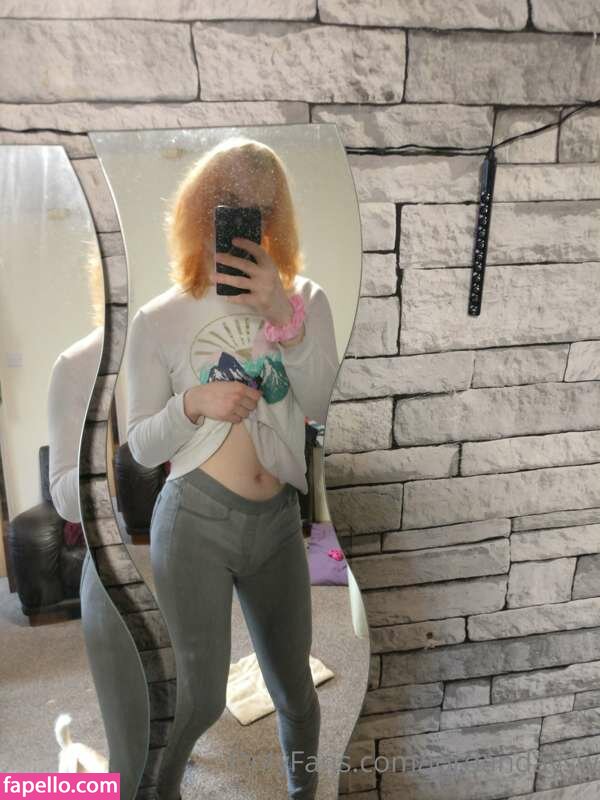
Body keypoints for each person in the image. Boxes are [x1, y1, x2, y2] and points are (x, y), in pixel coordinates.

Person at [125, 137, 339, 800]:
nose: (247, 220)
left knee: (296, 692)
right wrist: (193, 403)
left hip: (276, 524)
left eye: (261, 209)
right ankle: (157, 788)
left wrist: (283, 317)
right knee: (198, 699)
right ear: (200, 213)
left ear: (278, 218)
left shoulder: (306, 299)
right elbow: (141, 447)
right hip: (194, 522)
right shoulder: (158, 319)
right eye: (228, 206)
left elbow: (323, 406)